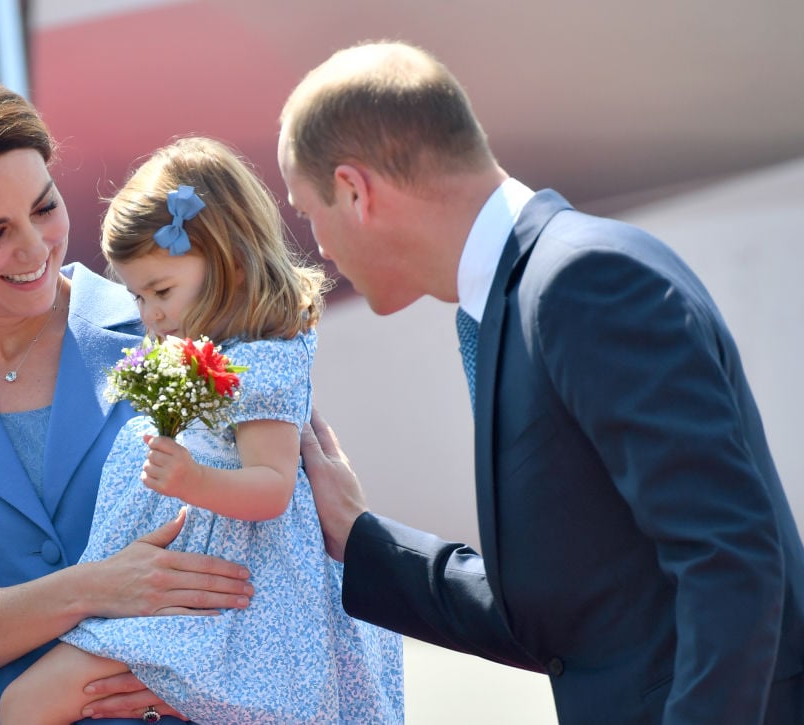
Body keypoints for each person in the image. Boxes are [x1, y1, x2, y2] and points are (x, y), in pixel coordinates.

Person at [278, 40, 804, 724]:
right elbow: (558, 616)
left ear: (355, 189)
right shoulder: (524, 299)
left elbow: (729, 556)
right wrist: (358, 537)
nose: (318, 246)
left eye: (308, 211)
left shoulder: (583, 284)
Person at [0, 77, 256, 725]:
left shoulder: (179, 327)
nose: (35, 249)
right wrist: (88, 591)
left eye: (44, 207)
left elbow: (275, 538)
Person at [0, 136, 404, 725]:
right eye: (139, 296)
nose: (150, 315)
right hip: (183, 588)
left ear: (229, 265)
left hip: (232, 606)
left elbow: (271, 488)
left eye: (161, 291)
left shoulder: (262, 361)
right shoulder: (197, 348)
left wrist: (190, 478)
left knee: (27, 703)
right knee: (24, 704)